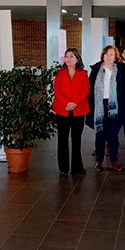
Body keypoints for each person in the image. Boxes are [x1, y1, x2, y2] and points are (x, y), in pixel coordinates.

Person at [87, 45, 125, 172]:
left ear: (116, 57)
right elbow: (90, 89)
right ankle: (99, 161)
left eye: (111, 54)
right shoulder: (96, 69)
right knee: (100, 134)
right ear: (103, 56)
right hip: (99, 105)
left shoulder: (121, 70)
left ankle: (114, 161)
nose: (108, 57)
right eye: (106, 54)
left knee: (113, 134)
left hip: (115, 107)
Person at [52, 48, 90, 176]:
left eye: (71, 56)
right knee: (62, 140)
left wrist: (74, 103)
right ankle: (63, 168)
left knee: (76, 140)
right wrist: (66, 103)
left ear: (77, 59)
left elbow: (85, 91)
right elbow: (57, 90)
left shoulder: (83, 74)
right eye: (66, 56)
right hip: (62, 110)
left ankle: (77, 167)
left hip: (78, 110)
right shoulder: (60, 73)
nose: (68, 59)